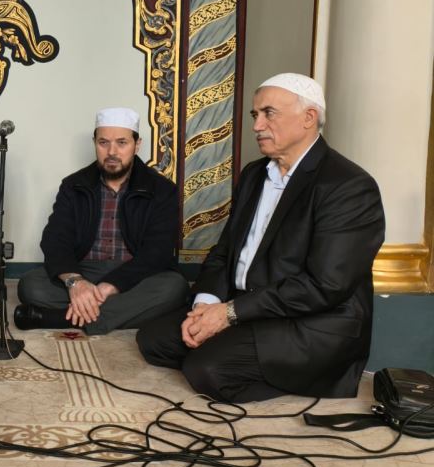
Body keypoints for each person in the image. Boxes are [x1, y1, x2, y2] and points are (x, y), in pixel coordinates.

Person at [136, 73, 385, 402]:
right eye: (256, 114)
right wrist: (206, 306)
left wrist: (229, 314)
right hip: (246, 306)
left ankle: (299, 374)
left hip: (309, 322)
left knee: (205, 369)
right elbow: (225, 250)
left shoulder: (348, 186)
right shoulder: (254, 174)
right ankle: (232, 347)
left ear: (309, 117)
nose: (256, 125)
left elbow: (325, 286)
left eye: (269, 113)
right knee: (153, 340)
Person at [15, 108, 187, 334]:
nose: (112, 152)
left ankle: (62, 318)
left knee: (174, 288)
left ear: (137, 145)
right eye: (103, 142)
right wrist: (75, 282)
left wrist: (111, 285)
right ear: (94, 143)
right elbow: (55, 239)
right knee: (30, 285)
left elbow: (158, 251)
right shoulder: (74, 185)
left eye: (122, 143)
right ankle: (107, 312)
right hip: (84, 269)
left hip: (135, 274)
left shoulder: (162, 189)